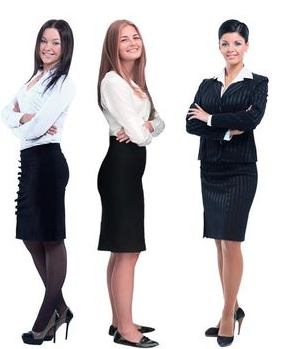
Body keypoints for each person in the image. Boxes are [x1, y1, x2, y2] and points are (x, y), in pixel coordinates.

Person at [186, 19, 268, 348]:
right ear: (218, 47)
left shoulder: (257, 83)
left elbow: (252, 120)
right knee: (218, 242)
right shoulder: (207, 83)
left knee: (231, 241)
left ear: (246, 46)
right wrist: (221, 128)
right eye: (225, 43)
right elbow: (190, 123)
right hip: (210, 168)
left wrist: (211, 118)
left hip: (240, 170)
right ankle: (233, 307)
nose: (231, 49)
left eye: (236, 43)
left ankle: (225, 314)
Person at [0, 19, 76, 345]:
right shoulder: (34, 79)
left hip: (48, 163)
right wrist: (22, 120)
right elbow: (6, 113)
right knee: (30, 236)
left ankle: (46, 316)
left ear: (65, 47)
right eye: (44, 41)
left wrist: (25, 122)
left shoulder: (63, 84)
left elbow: (38, 127)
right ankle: (60, 308)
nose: (48, 47)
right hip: (29, 164)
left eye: (55, 42)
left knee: (50, 239)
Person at [97, 19, 165, 348]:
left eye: (135, 36)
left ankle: (118, 319)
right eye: (124, 39)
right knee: (128, 251)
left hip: (129, 171)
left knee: (121, 250)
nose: (132, 42)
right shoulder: (112, 81)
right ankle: (126, 330)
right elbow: (138, 135)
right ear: (114, 47)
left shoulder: (135, 81)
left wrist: (146, 125)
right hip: (119, 170)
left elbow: (159, 122)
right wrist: (144, 128)